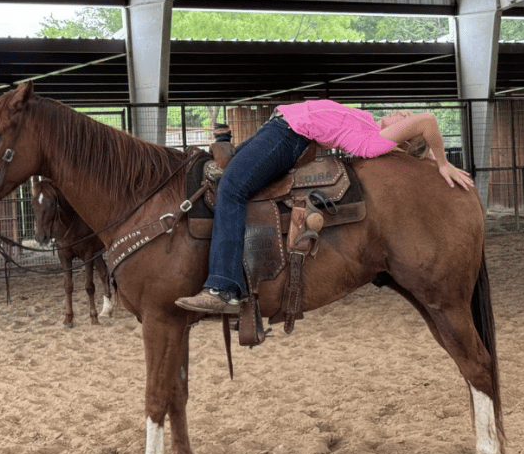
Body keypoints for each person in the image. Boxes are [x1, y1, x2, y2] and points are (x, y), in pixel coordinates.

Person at [175, 99, 473, 315]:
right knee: (222, 170)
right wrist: (431, 160)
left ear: (402, 138)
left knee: (232, 190)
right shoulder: (367, 122)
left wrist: (442, 163)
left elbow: (427, 121)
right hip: (281, 124)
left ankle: (223, 287)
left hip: (287, 133)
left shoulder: (372, 141)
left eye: (404, 118)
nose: (401, 113)